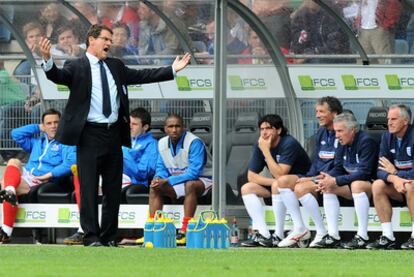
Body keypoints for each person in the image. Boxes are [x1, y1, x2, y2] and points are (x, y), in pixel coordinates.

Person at [39, 24, 190, 247]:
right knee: (89, 188)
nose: (109, 43)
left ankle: (109, 237)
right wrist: (47, 60)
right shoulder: (76, 66)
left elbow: (143, 75)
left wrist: (172, 70)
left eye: (110, 40)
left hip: (113, 135)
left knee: (112, 189)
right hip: (89, 135)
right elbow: (58, 77)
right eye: (105, 39)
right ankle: (91, 237)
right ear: (91, 40)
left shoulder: (116, 66)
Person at [63, 107, 158, 245]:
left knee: (95, 187)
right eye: (129, 123)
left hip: (133, 181)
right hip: (113, 175)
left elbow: (143, 172)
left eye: (134, 124)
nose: (129, 127)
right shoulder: (123, 140)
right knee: (85, 182)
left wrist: (123, 154)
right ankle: (85, 230)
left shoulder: (151, 144)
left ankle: (86, 231)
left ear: (145, 127)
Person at [0, 109, 76, 243]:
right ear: (44, 126)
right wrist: (38, 127)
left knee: (4, 185)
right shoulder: (37, 142)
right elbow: (15, 134)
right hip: (27, 175)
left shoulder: (66, 142)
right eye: (49, 123)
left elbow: (70, 162)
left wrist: (49, 174)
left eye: (56, 122)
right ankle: (10, 196)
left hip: (42, 180)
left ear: (62, 123)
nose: (53, 126)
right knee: (13, 162)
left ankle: (6, 230)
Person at [276, 96, 343, 248]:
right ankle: (300, 228)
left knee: (300, 188)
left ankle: (321, 232)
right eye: (316, 111)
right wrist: (308, 176)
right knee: (282, 182)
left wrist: (311, 179)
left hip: (333, 178)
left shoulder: (341, 133)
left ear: (334, 114)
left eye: (321, 111)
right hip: (316, 175)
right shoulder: (321, 132)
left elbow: (339, 166)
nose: (317, 115)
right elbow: (317, 160)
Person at [240, 114, 311, 247]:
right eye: (261, 129)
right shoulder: (260, 144)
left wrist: (266, 152)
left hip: (302, 183)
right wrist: (274, 182)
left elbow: (280, 174)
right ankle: (264, 234)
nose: (264, 132)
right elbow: (251, 176)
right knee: (247, 188)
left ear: (278, 130)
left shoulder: (289, 143)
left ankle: (278, 234)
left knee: (279, 183)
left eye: (269, 128)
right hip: (279, 186)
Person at [313, 112, 378, 249]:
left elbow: (364, 173)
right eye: (336, 131)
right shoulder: (342, 143)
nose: (337, 135)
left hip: (371, 186)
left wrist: (336, 180)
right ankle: (333, 236)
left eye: (340, 131)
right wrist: (328, 179)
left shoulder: (366, 141)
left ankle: (362, 236)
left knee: (357, 184)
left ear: (353, 129)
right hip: (350, 184)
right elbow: (338, 167)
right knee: (328, 186)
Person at [148, 114, 212, 245]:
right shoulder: (161, 143)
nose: (174, 130)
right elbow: (160, 168)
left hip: (204, 179)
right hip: (178, 181)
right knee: (154, 186)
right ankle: (152, 229)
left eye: (177, 126)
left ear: (184, 127)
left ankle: (185, 230)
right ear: (165, 129)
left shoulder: (194, 142)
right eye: (170, 126)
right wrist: (158, 178)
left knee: (190, 185)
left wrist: (168, 180)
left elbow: (194, 173)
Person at [367, 104, 414, 249]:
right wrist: (394, 178)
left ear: (405, 121)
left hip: (410, 185)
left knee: (411, 185)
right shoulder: (386, 137)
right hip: (399, 185)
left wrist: (395, 173)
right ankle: (387, 236)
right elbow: (380, 170)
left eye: (394, 119)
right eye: (388, 119)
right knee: (377, 185)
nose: (389, 122)